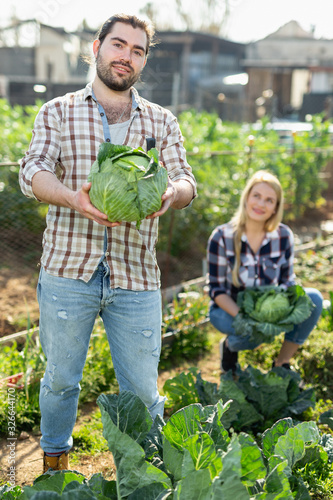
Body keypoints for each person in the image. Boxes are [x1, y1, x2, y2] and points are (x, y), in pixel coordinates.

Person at [19, 13, 196, 473]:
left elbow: (185, 181)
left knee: (141, 387)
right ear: (96, 47)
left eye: (138, 50)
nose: (127, 56)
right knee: (60, 380)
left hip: (136, 273)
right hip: (66, 268)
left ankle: (142, 472)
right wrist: (72, 198)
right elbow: (32, 171)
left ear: (143, 60)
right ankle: (54, 464)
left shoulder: (161, 120)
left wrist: (170, 195)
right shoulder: (57, 111)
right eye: (119, 45)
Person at [207, 170, 322, 373]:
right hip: (230, 310)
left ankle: (282, 363)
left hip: (267, 311)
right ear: (247, 197)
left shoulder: (283, 235)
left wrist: (280, 311)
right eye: (257, 196)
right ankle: (230, 347)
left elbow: (288, 280)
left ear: (275, 208)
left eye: (269, 200)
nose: (261, 204)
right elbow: (216, 290)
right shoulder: (221, 237)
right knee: (252, 334)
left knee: (314, 299)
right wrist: (247, 318)